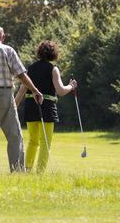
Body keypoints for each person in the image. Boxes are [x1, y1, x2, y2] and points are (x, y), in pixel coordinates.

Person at [0, 26, 43, 173]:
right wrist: (35, 90)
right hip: (2, 94)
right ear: (2, 37)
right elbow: (21, 74)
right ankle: (17, 170)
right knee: (14, 135)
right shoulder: (7, 50)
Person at [14, 40, 77, 172]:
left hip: (31, 107)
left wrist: (13, 107)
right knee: (45, 142)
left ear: (39, 52)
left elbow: (21, 91)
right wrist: (71, 86)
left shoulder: (30, 69)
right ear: (54, 54)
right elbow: (60, 91)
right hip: (47, 108)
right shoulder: (53, 69)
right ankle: (40, 171)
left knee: (32, 140)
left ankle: (27, 169)